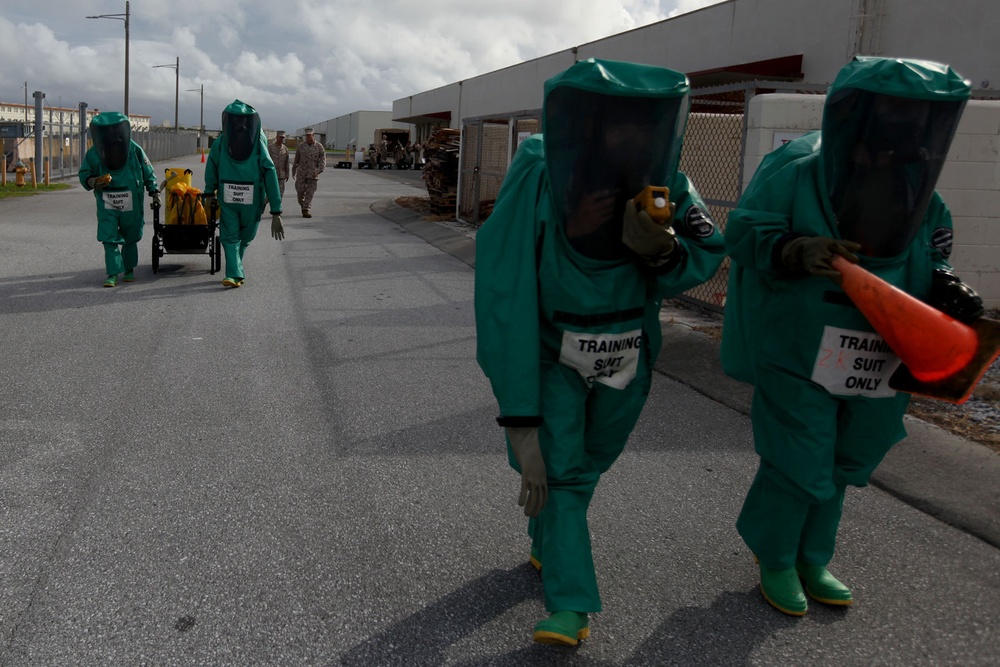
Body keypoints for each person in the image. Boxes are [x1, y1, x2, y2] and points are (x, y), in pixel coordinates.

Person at [475, 58, 726, 646]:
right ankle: (571, 604)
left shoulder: (669, 185)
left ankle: (549, 542)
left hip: (627, 352)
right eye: (619, 124)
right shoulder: (539, 172)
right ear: (589, 124)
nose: (631, 138)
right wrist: (520, 418)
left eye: (644, 126)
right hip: (551, 352)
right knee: (561, 471)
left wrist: (661, 253)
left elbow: (709, 248)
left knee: (586, 466)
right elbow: (504, 292)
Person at [721, 56, 983, 617]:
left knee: (847, 455)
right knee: (800, 454)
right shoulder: (795, 167)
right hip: (799, 344)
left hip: (880, 350)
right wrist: (793, 249)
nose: (898, 140)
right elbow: (742, 232)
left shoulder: (920, 190)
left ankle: (813, 557)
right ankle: (776, 557)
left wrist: (945, 286)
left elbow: (932, 248)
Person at [203, 99, 285, 288]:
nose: (240, 127)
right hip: (229, 198)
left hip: (252, 200)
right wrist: (208, 194)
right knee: (229, 236)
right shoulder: (221, 143)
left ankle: (235, 266)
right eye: (236, 122)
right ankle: (234, 273)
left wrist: (276, 211)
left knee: (246, 236)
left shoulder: (259, 142)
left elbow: (270, 172)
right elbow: (212, 167)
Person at [78, 111, 159, 287]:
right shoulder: (94, 154)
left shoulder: (135, 149)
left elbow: (148, 171)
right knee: (109, 237)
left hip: (132, 200)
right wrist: (93, 181)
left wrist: (154, 191)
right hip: (107, 201)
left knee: (131, 235)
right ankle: (113, 272)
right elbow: (84, 173)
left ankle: (129, 269)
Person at [293, 127, 325, 217]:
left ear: (313, 136)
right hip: (301, 173)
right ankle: (302, 204)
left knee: (310, 192)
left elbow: (323, 160)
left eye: (309, 135)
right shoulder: (301, 146)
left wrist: (319, 170)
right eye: (306, 135)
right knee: (300, 191)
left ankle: (306, 209)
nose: (307, 137)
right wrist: (293, 171)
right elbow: (296, 160)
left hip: (313, 174)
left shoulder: (319, 147)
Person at [268, 130, 290, 201]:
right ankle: (261, 208)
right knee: (268, 195)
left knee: (279, 195)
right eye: (280, 137)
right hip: (271, 175)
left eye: (283, 137)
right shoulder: (270, 148)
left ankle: (277, 210)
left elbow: (286, 163)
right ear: (277, 137)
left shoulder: (285, 149)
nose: (282, 139)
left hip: (281, 176)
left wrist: (287, 174)